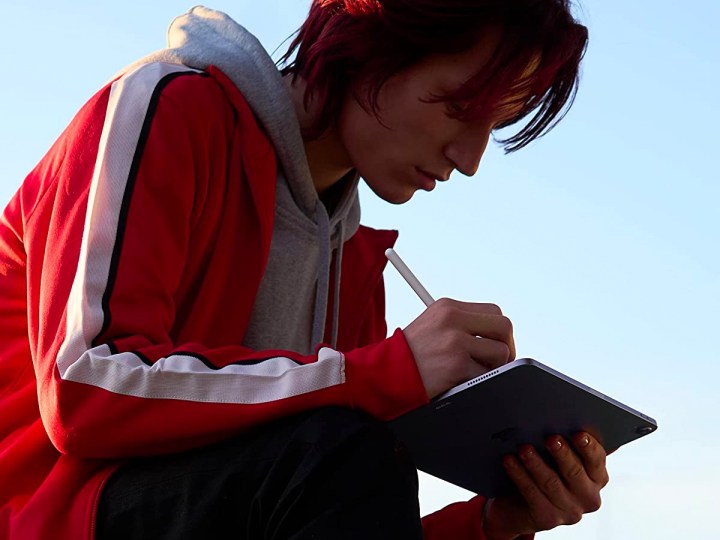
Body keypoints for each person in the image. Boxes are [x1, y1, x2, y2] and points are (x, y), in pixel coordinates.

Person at [0, 1, 609, 539]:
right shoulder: (166, 105)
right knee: (345, 451)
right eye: (458, 108)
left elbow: (320, 511)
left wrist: (491, 524)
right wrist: (382, 374)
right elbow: (84, 389)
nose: (470, 159)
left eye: (494, 125)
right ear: (371, 44)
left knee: (360, 457)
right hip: (43, 512)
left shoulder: (356, 260)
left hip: (169, 510)